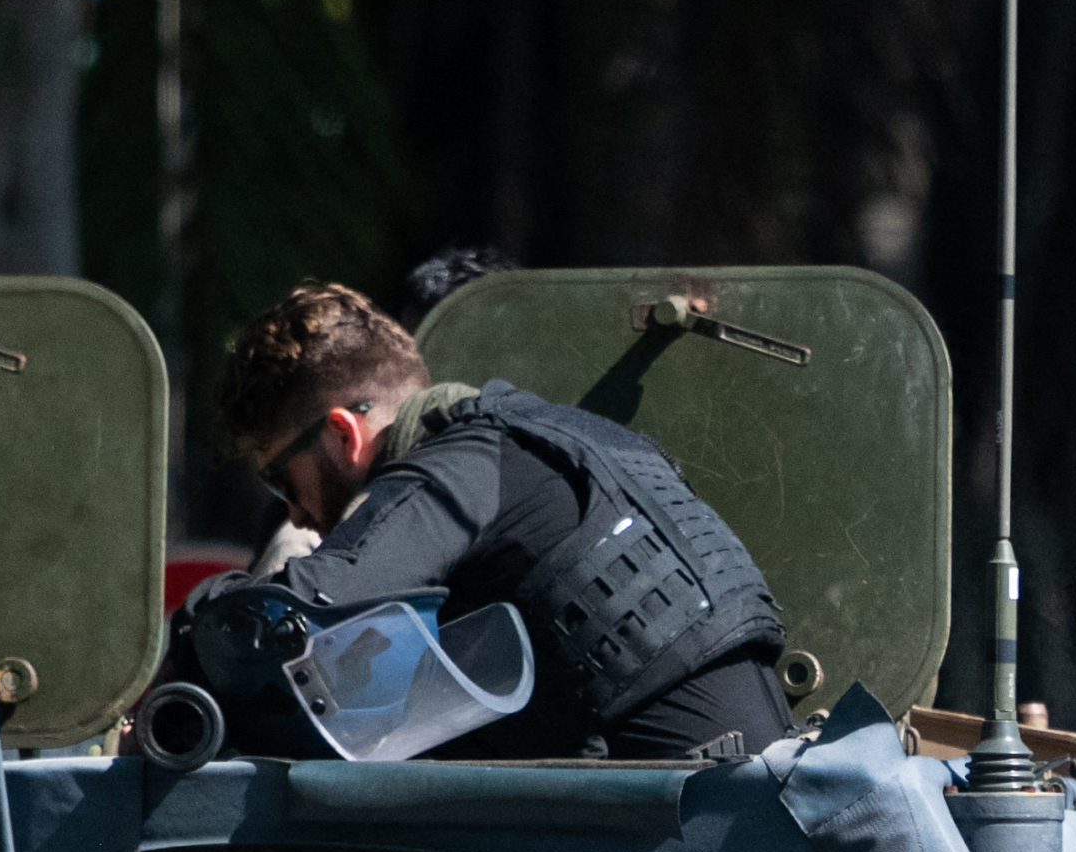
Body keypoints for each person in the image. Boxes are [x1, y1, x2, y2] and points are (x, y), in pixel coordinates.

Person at [174, 282, 799, 764]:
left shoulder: (458, 466)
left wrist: (195, 626)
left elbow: (301, 613)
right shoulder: (563, 438)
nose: (298, 514)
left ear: (344, 434)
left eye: (285, 481)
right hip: (736, 800)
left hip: (691, 841)